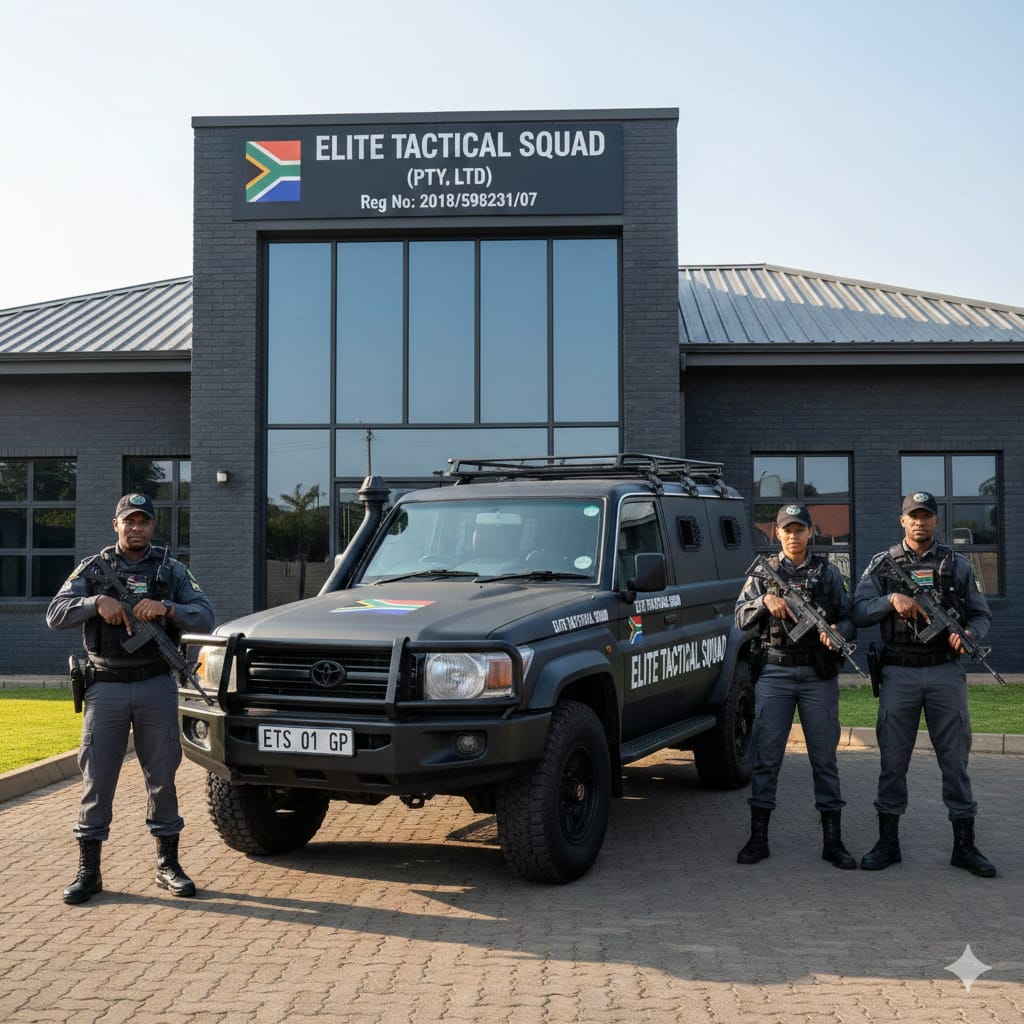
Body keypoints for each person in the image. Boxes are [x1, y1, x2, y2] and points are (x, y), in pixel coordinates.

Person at [47, 493, 215, 904]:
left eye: (143, 521)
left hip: (156, 684)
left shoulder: (171, 570)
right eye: (129, 521)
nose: (136, 527)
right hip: (105, 686)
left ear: (152, 526)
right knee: (97, 778)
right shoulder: (94, 568)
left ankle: (167, 865)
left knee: (163, 777)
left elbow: (205, 615)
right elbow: (56, 613)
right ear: (116, 525)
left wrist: (167, 609)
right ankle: (89, 872)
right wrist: (95, 602)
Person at [852, 491, 996, 877]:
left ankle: (964, 846)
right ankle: (888, 843)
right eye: (912, 516)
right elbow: (858, 610)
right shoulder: (883, 564)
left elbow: (981, 614)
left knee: (955, 760)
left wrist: (969, 633)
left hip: (945, 671)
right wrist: (890, 600)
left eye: (926, 515)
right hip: (898, 672)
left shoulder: (957, 564)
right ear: (902, 520)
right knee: (892, 760)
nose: (919, 522)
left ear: (936, 521)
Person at [734, 504, 857, 868]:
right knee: (767, 757)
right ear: (777, 533)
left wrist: (838, 631)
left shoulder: (828, 573)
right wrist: (764, 601)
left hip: (818, 675)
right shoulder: (764, 573)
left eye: (799, 529)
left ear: (810, 532)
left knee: (824, 758)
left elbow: (850, 616)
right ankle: (758, 839)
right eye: (787, 530)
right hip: (775, 672)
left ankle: (833, 842)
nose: (793, 536)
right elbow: (739, 616)